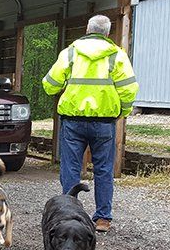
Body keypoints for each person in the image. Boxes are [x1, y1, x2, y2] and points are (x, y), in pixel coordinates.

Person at [42, 15, 139, 232]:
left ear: (87, 29)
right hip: (104, 122)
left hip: (73, 120)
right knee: (104, 170)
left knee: (71, 168)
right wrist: (121, 112)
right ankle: (103, 219)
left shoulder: (71, 52)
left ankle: (68, 214)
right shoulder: (117, 55)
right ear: (107, 32)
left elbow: (49, 85)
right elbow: (129, 89)